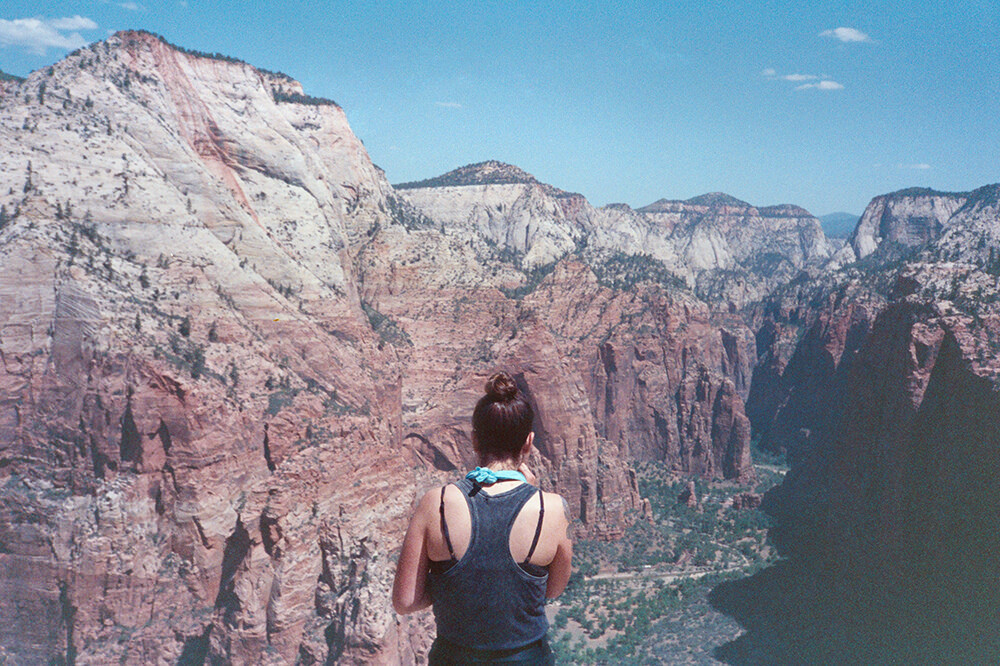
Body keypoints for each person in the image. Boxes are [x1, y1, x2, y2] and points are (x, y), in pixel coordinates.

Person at [392, 371, 573, 665]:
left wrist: (450, 588)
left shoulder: (435, 503)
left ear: (475, 440)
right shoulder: (551, 509)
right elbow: (551, 589)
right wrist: (531, 491)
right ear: (528, 442)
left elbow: (405, 600)